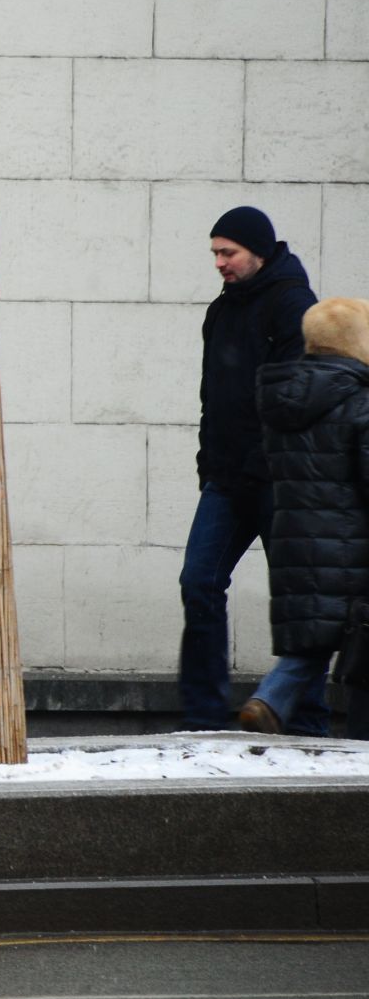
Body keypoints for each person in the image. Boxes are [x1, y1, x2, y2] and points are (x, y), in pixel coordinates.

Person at [177, 206, 321, 732]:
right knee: (198, 581)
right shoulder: (221, 311)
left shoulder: (292, 304)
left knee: (300, 599)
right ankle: (201, 716)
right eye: (215, 252)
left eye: (228, 252)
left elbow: (300, 397)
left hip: (279, 480)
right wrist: (208, 461)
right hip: (226, 477)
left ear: (258, 251)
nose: (219, 262)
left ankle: (309, 721)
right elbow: (212, 396)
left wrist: (271, 464)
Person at [240, 298, 369, 740]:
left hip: (297, 538)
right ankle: (358, 741)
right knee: (360, 640)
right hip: (352, 544)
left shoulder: (284, 399)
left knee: (312, 642)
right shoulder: (361, 402)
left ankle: (271, 701)